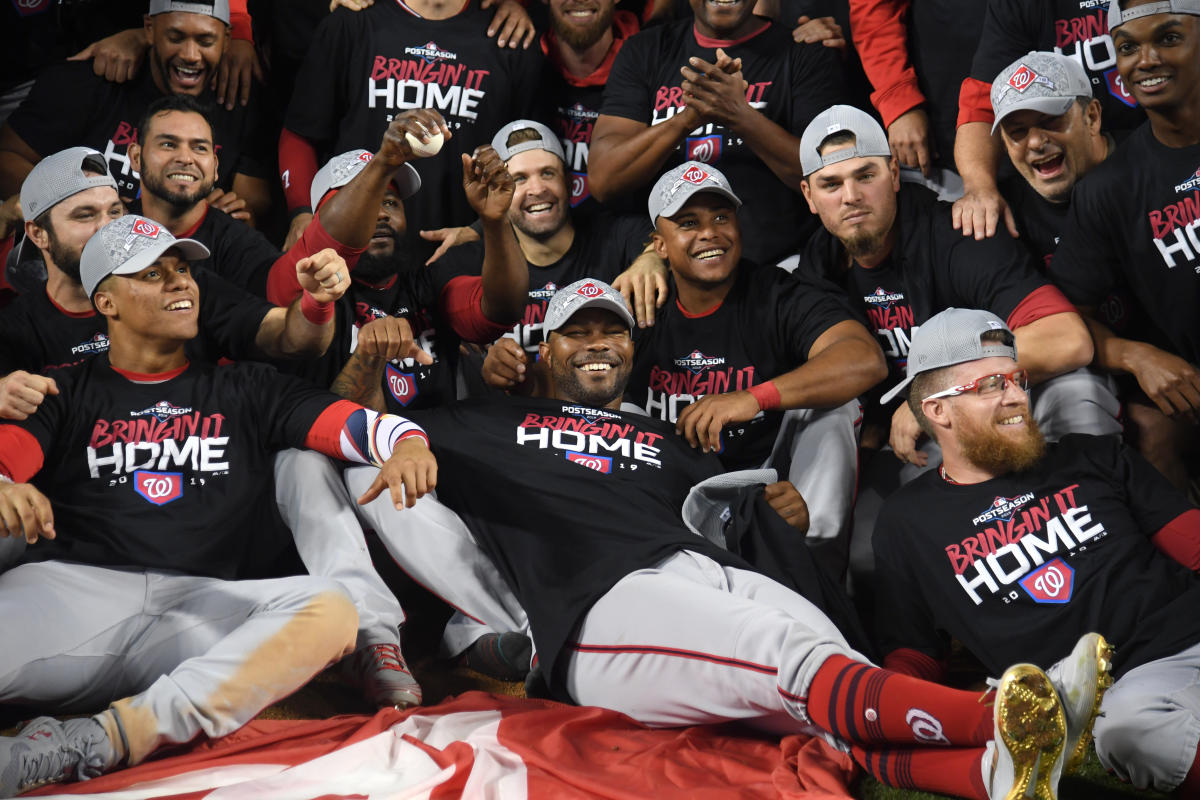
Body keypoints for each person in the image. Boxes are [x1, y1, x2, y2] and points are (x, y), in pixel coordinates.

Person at [345, 277, 1104, 800]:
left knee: (833, 690)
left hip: (702, 568)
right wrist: (386, 402)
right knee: (793, 661)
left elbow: (725, 515)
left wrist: (771, 511)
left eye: (611, 327)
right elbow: (356, 433)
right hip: (600, 600)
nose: (596, 342)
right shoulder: (485, 422)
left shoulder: (668, 438)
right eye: (576, 332)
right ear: (546, 350)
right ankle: (1000, 713)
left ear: (633, 348)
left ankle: (991, 776)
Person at [0, 213, 438, 796]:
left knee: (332, 608)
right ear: (106, 301)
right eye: (152, 275)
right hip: (73, 595)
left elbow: (344, 424)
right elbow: (11, 457)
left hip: (200, 608)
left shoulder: (245, 388)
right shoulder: (62, 388)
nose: (179, 282)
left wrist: (405, 440)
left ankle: (102, 740)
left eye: (182, 270)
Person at [873, 307, 1200, 795]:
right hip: (1130, 692)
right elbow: (913, 655)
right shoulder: (906, 524)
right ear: (938, 410)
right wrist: (877, 706)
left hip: (1188, 628)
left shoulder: (1089, 455)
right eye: (990, 386)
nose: (1017, 398)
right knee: (1132, 734)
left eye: (1016, 379)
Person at [617, 161, 884, 575]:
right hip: (669, 489)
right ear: (660, 245)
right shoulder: (639, 303)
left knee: (836, 409)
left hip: (767, 483)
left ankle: (818, 572)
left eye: (721, 217)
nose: (710, 233)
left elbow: (863, 358)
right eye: (688, 222)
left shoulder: (776, 293)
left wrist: (752, 397)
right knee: (617, 414)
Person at [0, 147, 347, 422]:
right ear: (38, 234)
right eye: (85, 215)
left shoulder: (185, 288)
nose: (107, 229)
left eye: (115, 211)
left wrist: (316, 302)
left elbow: (292, 339)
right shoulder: (15, 329)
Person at [1049, 0, 1200, 492]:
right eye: (1128, 48)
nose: (1146, 60)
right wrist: (1136, 356)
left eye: (1169, 39)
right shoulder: (1108, 189)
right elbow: (1072, 318)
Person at [588, 0, 845, 265]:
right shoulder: (645, 50)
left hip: (778, 269)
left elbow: (830, 174)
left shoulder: (805, 54)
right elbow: (604, 180)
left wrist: (739, 115)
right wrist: (689, 118)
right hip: (670, 269)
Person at [278, 0, 543, 254]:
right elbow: (301, 134)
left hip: (457, 255)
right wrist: (301, 213)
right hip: (355, 252)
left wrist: (481, 231)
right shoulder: (351, 22)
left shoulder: (510, 37)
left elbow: (530, 161)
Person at [0, 0, 273, 222]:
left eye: (205, 41)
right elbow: (7, 155)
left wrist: (230, 215)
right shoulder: (89, 83)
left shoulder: (236, 94)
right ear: (149, 30)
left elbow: (253, 195)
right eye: (175, 37)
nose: (191, 54)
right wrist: (68, 204)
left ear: (226, 40)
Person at [449, 120, 654, 381]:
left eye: (547, 173)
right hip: (507, 417)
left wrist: (652, 259)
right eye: (518, 179)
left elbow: (669, 236)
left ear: (569, 184)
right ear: (496, 192)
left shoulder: (616, 236)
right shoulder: (471, 257)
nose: (537, 189)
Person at [951, 0, 1147, 243]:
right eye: (1018, 132)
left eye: (1049, 122)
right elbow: (980, 106)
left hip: (1144, 152)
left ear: (1092, 116)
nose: (1033, 141)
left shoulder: (1157, 165)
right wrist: (979, 187)